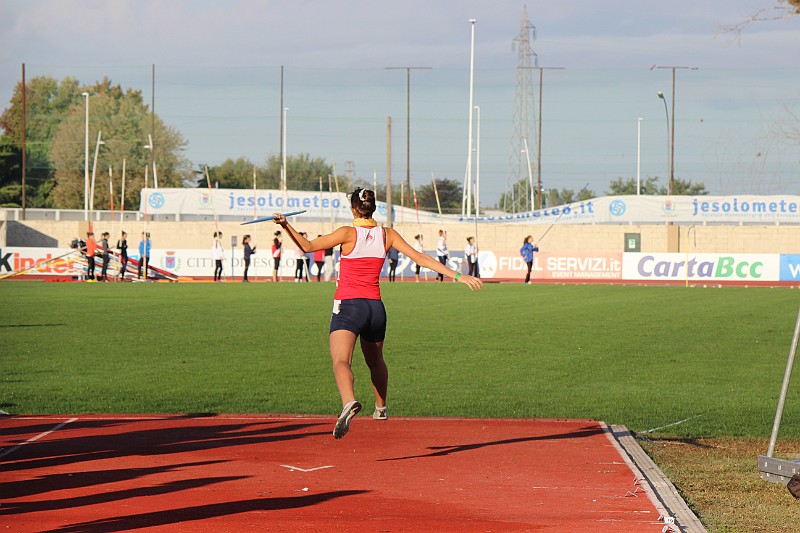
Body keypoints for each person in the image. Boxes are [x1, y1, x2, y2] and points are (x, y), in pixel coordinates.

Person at [271, 187, 482, 439]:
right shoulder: (387, 234)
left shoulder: (346, 233)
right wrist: (458, 276)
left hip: (349, 305)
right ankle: (381, 407)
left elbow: (306, 246)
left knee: (341, 360)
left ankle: (348, 401)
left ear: (353, 209)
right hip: (375, 308)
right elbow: (421, 258)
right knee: (376, 361)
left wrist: (286, 224)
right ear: (373, 208)